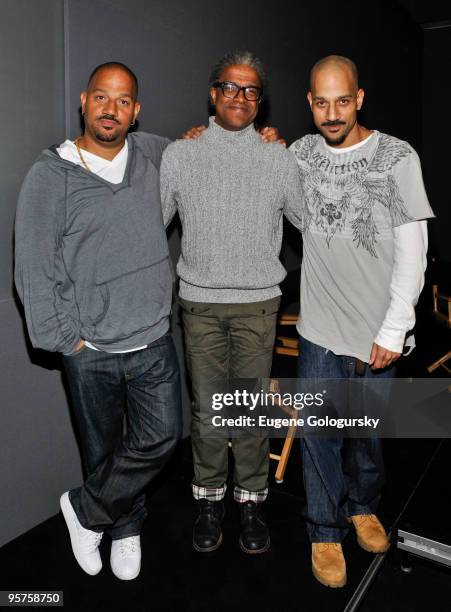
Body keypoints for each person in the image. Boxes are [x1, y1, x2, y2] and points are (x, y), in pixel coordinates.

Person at [14, 62, 183, 581]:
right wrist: (69, 341)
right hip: (91, 350)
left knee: (161, 438)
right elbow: (34, 268)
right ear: (85, 102)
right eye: (103, 98)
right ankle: (124, 528)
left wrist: (257, 136)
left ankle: (85, 511)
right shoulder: (52, 174)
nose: (112, 108)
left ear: (136, 112)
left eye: (124, 100)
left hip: (153, 337)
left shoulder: (155, 153)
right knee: (103, 450)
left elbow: (206, 153)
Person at [289, 55, 434, 587]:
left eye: (342, 101)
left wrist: (394, 329)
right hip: (319, 332)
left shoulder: (397, 157)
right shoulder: (300, 153)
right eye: (322, 103)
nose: (332, 114)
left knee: (367, 435)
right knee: (321, 436)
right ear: (309, 102)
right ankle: (324, 531)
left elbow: (413, 252)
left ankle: (363, 507)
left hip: (376, 334)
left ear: (360, 97)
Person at [160, 51, 302, 555]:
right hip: (198, 303)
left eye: (250, 91)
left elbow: (312, 222)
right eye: (230, 87)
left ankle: (252, 501)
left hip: (258, 304)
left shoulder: (277, 157)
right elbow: (151, 224)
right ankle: (209, 500)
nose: (240, 97)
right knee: (208, 413)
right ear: (213, 93)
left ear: (259, 102)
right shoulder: (181, 154)